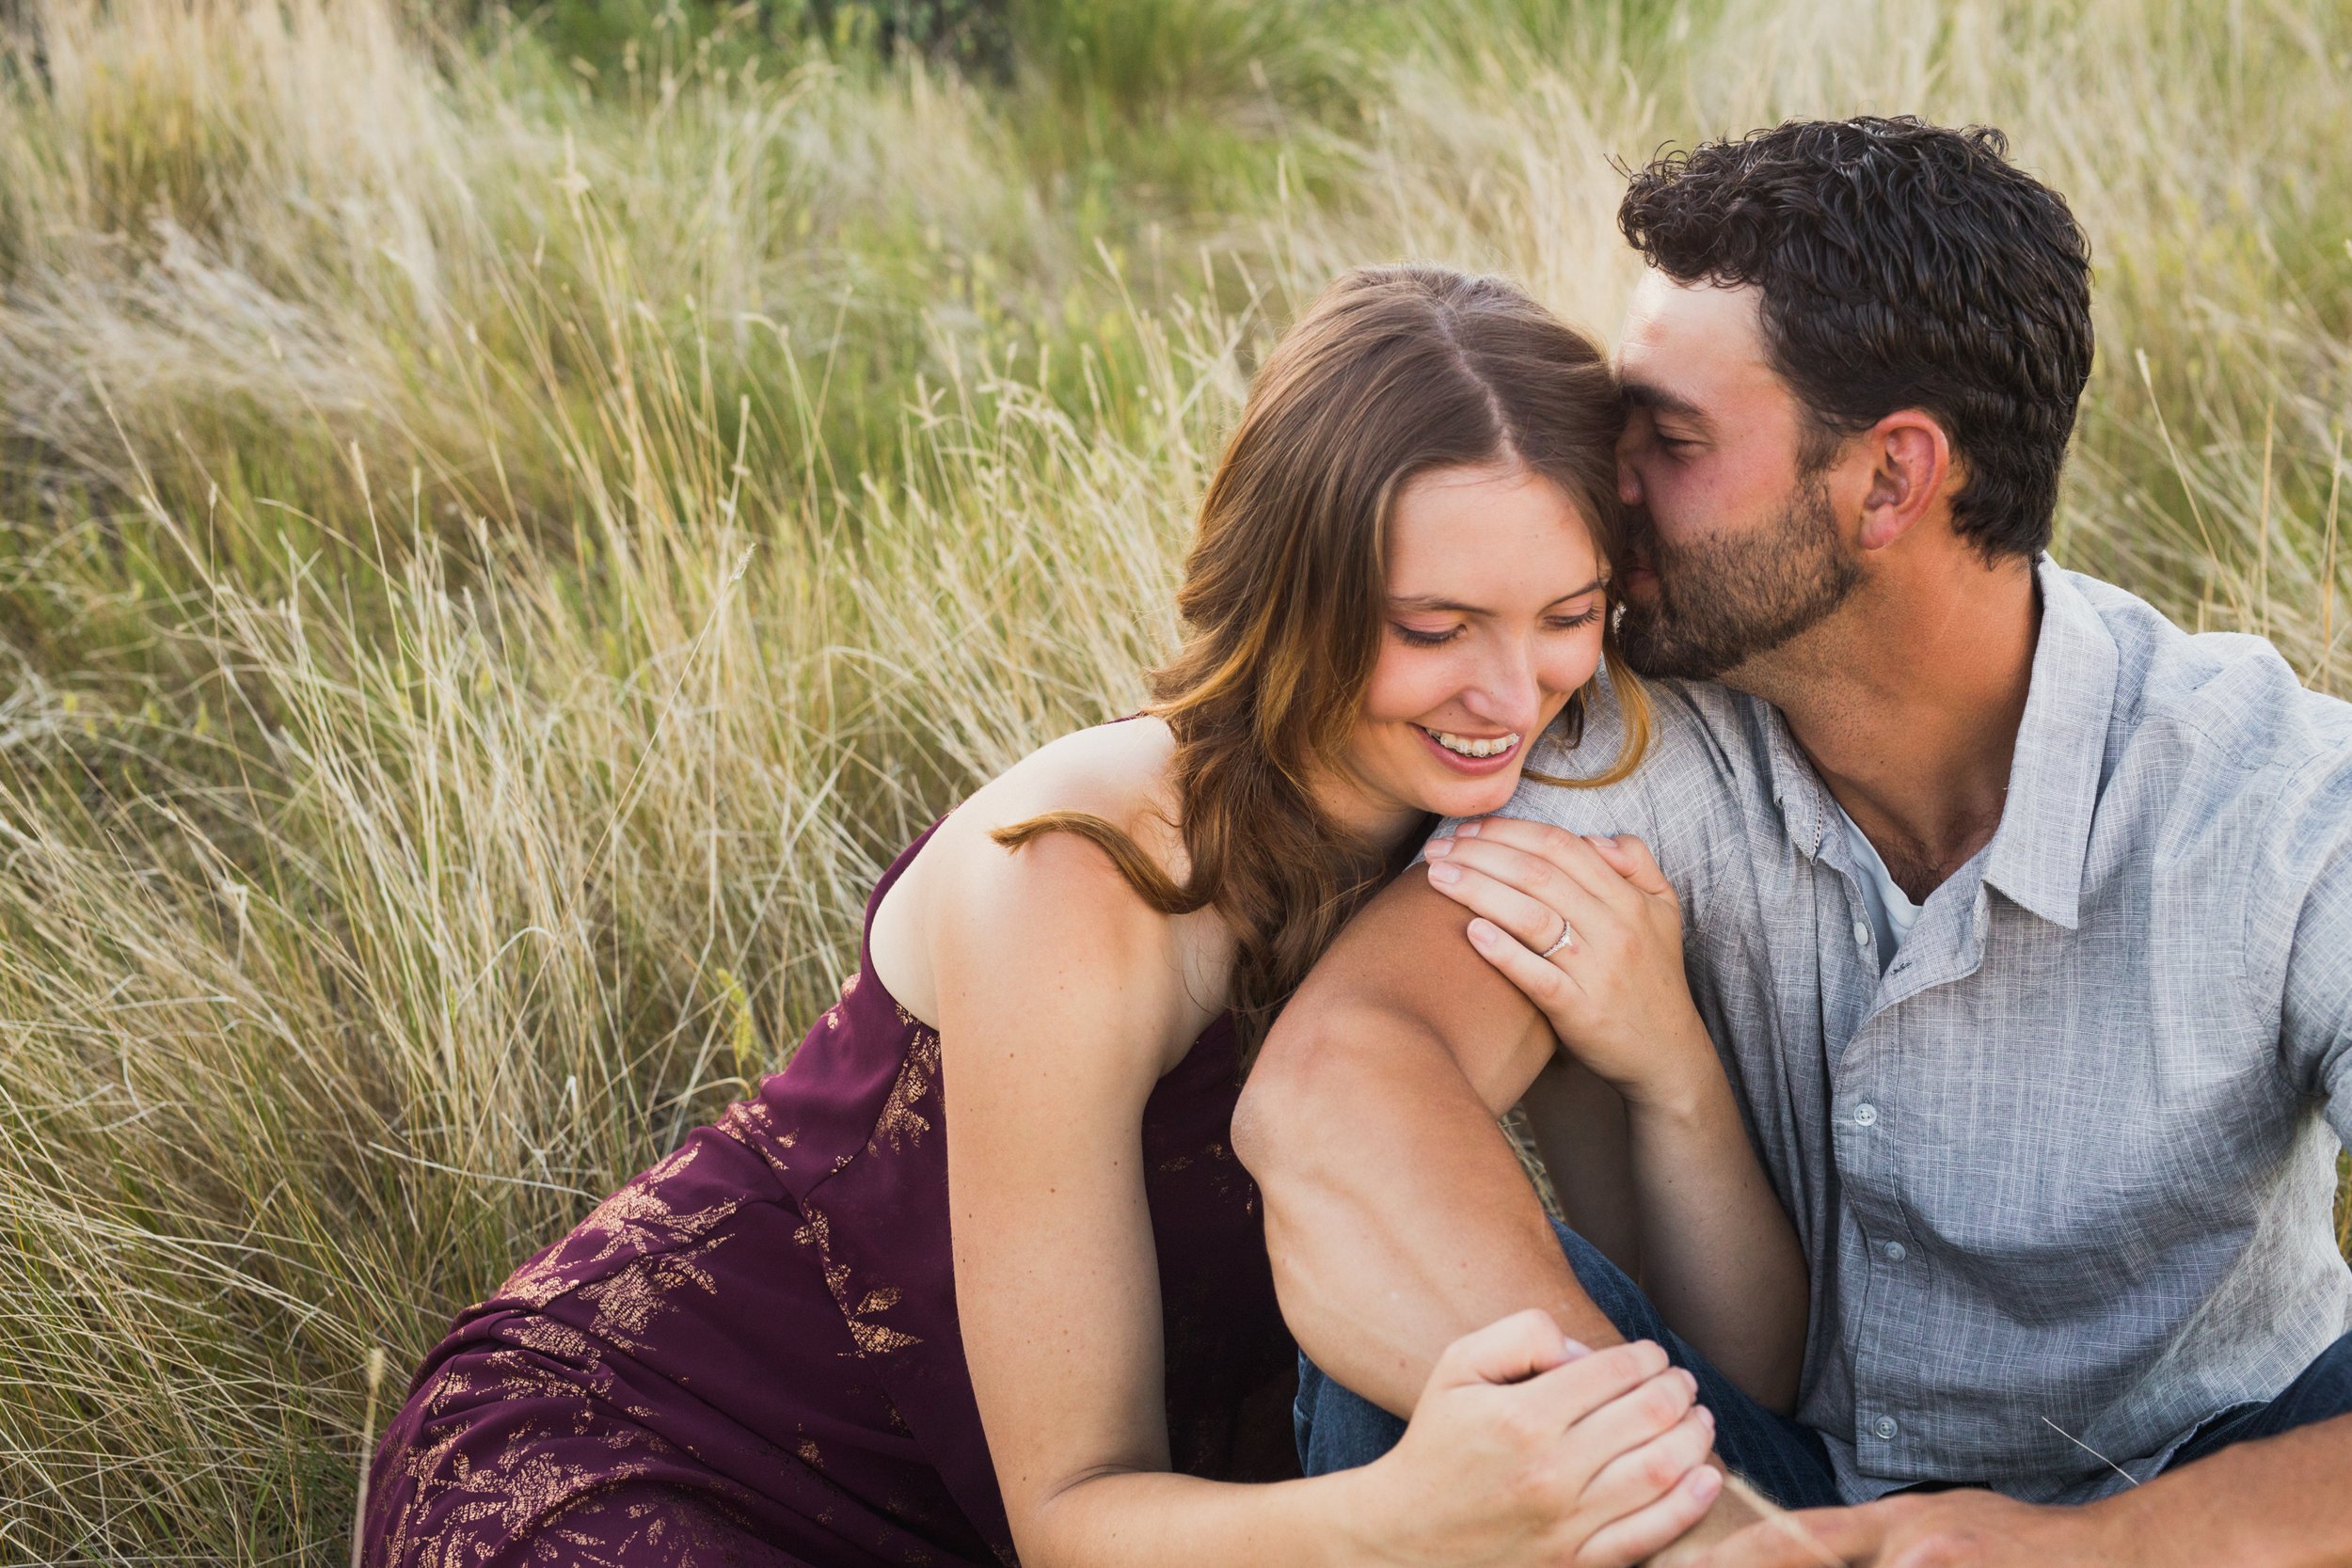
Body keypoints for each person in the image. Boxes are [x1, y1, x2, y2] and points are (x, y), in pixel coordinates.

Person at [362, 265, 1747, 1568]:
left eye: (1566, 615)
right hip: (658, 1460)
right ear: (1289, 597)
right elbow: (1075, 1518)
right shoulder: (1093, 866)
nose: (1515, 696)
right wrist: (1403, 1512)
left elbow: (1729, 1373)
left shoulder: (1526, 828)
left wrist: (1670, 1066)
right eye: (1436, 630)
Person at [1234, 118, 2352, 1567]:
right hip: (1764, 1488)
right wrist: (1705, 1527)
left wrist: (2094, 1550)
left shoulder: (2280, 802)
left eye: (1671, 442)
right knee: (1441, 1371)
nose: (1604, 483)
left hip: (2207, 1491)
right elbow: (1334, 1093)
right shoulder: (1628, 727)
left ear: (1890, 482)